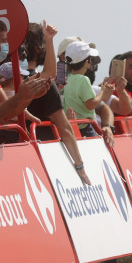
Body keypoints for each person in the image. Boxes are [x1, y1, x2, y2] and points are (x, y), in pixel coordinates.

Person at [23, 22, 91, 185]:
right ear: (40, 48)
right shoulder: (43, 83)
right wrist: (80, 166)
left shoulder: (6, 78)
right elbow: (65, 128)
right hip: (44, 161)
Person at [0, 17, 49, 125]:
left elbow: (7, 111)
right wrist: (21, 96)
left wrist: (29, 96)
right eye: (4, 41)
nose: (7, 45)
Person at [62, 41, 115, 138]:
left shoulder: (67, 80)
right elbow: (91, 104)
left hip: (72, 127)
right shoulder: (84, 80)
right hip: (85, 127)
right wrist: (103, 91)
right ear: (86, 63)